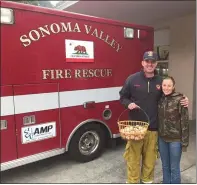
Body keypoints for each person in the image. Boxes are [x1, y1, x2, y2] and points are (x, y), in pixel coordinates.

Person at [119, 51, 189, 184]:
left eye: (152, 62)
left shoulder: (161, 81)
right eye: (147, 61)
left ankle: (147, 181)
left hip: (154, 129)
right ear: (143, 63)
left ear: (156, 64)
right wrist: (128, 104)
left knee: (150, 161)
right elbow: (123, 96)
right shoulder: (132, 79)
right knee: (133, 160)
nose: (150, 64)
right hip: (136, 128)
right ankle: (132, 182)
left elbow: (171, 94)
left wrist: (184, 98)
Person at [158, 76, 189, 184]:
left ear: (173, 87)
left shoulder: (180, 99)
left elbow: (184, 122)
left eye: (169, 85)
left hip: (175, 140)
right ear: (161, 86)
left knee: (174, 168)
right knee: (165, 166)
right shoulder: (160, 98)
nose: (166, 88)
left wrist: (184, 142)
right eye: (164, 85)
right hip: (162, 139)